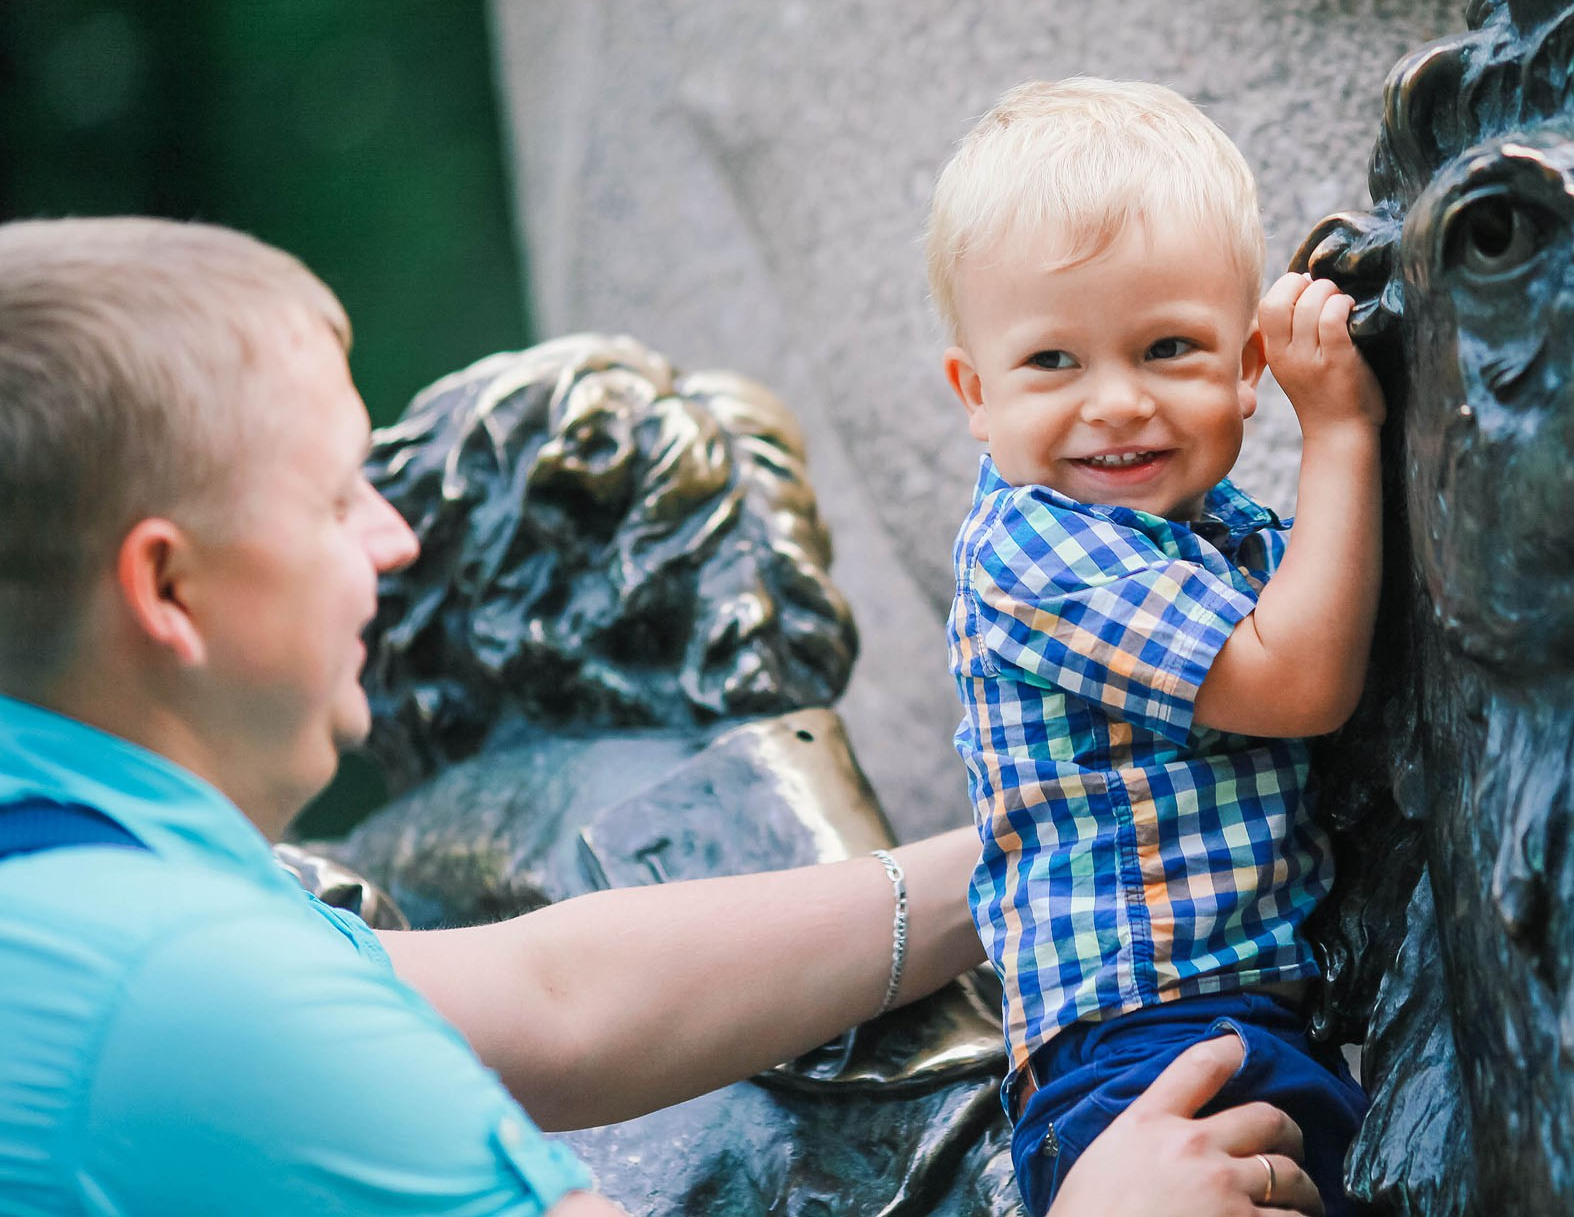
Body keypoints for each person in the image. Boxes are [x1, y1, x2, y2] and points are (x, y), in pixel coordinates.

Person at [0, 217, 1322, 1217]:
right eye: (337, 495)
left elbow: (552, 996)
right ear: (165, 585)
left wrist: (1066, 836)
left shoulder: (81, 899)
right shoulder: (190, 999)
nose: (391, 539)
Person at [927, 81, 1386, 1215]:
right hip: (1140, 1055)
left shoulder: (1213, 535)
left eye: (1166, 348)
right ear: (976, 395)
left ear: (1244, 367)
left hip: (1259, 1014)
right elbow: (1302, 679)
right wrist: (1341, 427)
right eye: (1053, 364)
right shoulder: (1038, 552)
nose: (1116, 402)